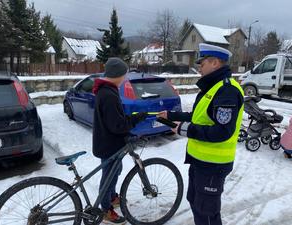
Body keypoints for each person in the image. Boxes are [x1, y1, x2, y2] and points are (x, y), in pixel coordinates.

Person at [158, 43, 244, 225]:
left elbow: (222, 131)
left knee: (206, 213)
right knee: (196, 203)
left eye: (202, 63)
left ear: (214, 63)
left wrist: (185, 129)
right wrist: (171, 116)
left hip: (213, 165)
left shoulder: (226, 90)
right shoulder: (212, 88)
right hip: (200, 161)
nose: (199, 67)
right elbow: (198, 117)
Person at [92, 57, 147, 224]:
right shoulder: (108, 94)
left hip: (110, 142)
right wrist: (136, 119)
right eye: (124, 74)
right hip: (109, 144)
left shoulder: (108, 90)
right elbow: (118, 125)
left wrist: (130, 118)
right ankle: (105, 208)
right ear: (117, 75)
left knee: (115, 170)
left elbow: (115, 119)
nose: (126, 77)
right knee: (108, 175)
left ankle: (111, 196)